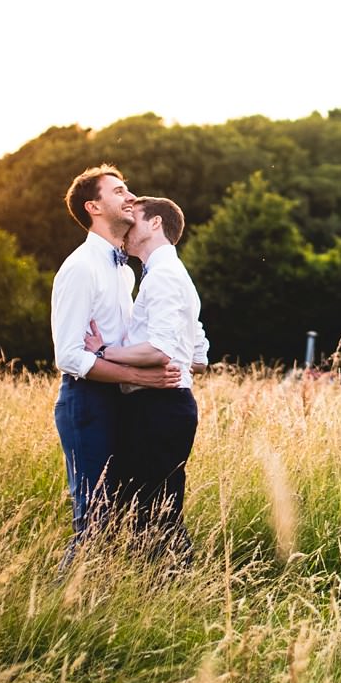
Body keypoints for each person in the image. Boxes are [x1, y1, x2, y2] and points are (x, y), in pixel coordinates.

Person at [50, 165, 179, 564]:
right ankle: (65, 596)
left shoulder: (123, 271)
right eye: (119, 191)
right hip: (86, 401)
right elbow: (69, 356)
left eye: (128, 190)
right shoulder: (80, 267)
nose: (130, 197)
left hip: (121, 401)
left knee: (125, 512)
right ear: (93, 207)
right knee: (95, 519)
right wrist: (139, 376)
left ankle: (109, 595)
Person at [85, 195, 206, 562]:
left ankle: (171, 583)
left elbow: (161, 350)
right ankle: (169, 582)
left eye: (132, 219)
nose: (125, 226)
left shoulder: (164, 276)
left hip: (158, 407)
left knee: (152, 512)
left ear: (155, 223)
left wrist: (104, 351)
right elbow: (199, 356)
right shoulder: (169, 273)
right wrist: (174, 364)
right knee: (155, 506)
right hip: (167, 405)